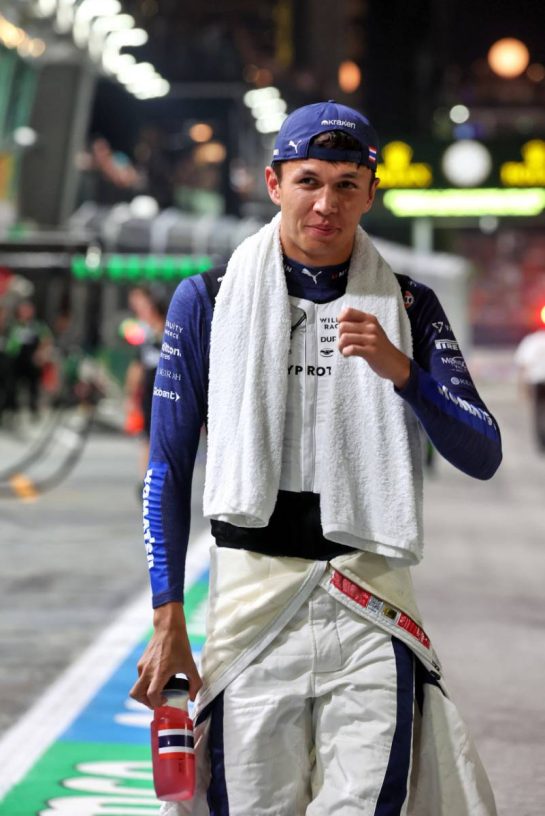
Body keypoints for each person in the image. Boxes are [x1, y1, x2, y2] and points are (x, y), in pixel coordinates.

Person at [130, 101, 502, 815]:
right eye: (308, 181)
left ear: (370, 192)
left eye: (344, 184)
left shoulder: (408, 305)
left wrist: (404, 372)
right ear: (274, 184)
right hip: (252, 599)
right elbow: (167, 469)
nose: (325, 203)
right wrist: (167, 616)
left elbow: (481, 452)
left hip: (369, 601)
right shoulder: (206, 299)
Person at [124, 285, 168, 477]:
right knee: (147, 437)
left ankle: (161, 479)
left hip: (168, 385)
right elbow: (137, 365)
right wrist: (130, 395)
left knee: (165, 437)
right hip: (149, 388)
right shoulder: (142, 331)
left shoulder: (170, 328)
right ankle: (147, 479)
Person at [514, 326, 545, 451]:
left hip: (537, 382)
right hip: (537, 381)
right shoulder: (531, 340)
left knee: (538, 413)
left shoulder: (531, 341)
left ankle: (542, 443)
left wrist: (522, 388)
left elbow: (523, 366)